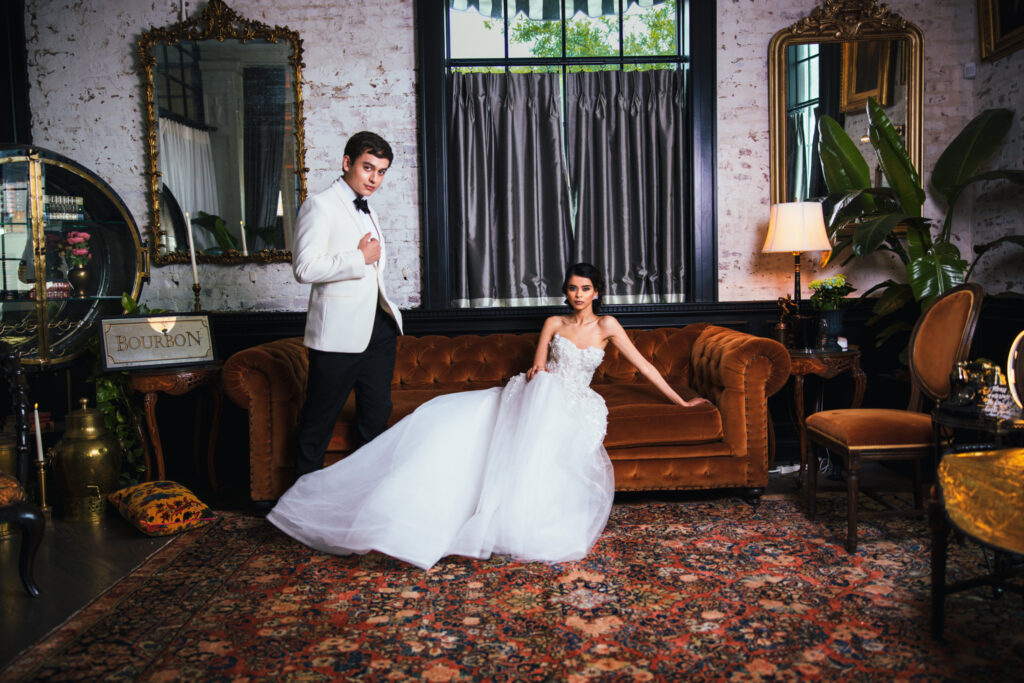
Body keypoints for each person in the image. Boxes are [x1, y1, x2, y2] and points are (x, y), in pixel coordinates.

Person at [268, 263, 710, 570]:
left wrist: (681, 402)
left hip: (578, 401)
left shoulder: (608, 326)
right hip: (542, 391)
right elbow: (538, 365)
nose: (577, 295)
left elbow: (647, 366)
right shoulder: (554, 323)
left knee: (550, 414)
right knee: (451, 419)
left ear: (597, 292)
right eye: (572, 288)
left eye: (585, 289)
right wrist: (538, 379)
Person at [291, 131, 403, 477]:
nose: (374, 179)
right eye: (368, 168)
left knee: (375, 418)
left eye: (381, 172)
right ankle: (302, 502)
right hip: (338, 336)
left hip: (378, 330)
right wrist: (358, 257)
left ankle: (364, 499)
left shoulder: (369, 210)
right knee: (319, 422)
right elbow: (304, 268)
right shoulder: (320, 206)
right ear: (346, 163)